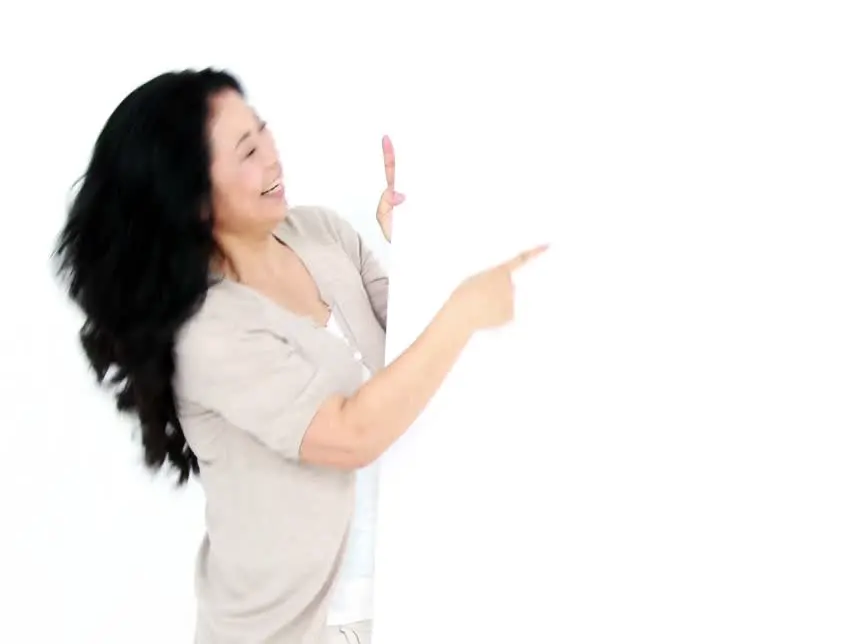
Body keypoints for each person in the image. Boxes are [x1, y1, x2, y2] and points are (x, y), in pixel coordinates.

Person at [52, 68, 547, 643]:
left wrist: (420, 236)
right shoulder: (207, 330)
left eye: (263, 133)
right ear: (191, 198)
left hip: (403, 593)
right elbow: (350, 434)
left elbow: (419, 348)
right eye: (246, 152)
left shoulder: (322, 234)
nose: (273, 157)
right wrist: (461, 309)